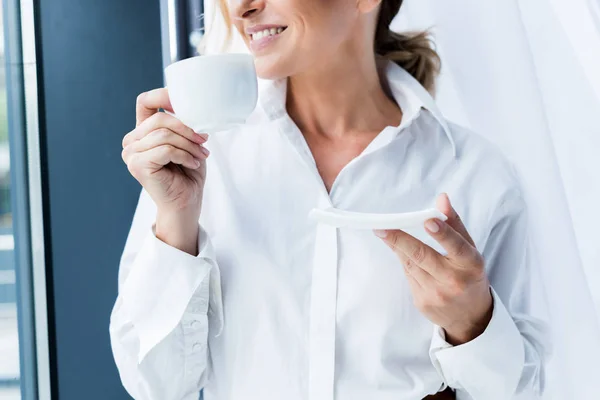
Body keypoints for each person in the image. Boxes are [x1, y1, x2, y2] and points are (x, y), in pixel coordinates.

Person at [110, 0, 548, 399]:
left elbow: (522, 390)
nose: (241, 8)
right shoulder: (203, 157)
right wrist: (175, 219)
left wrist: (472, 325)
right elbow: (155, 385)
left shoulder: (475, 173)